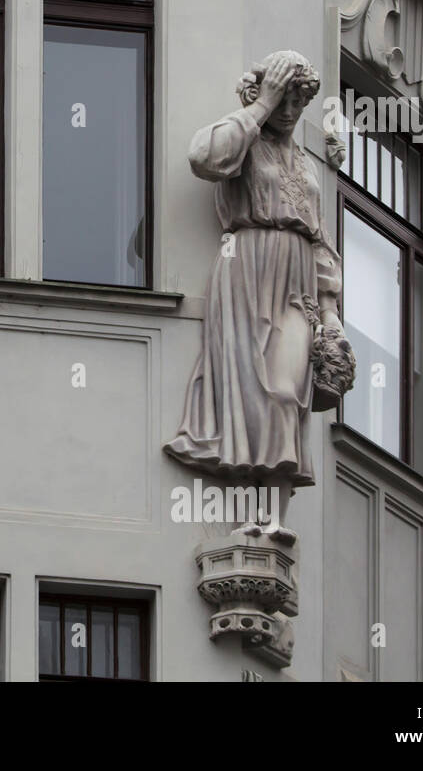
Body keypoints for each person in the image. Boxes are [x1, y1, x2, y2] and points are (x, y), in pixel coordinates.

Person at [164, 51, 348, 541]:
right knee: (252, 393)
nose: (289, 111)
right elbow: (205, 158)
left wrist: (330, 314)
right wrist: (259, 108)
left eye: (297, 102)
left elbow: (319, 237)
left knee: (287, 390)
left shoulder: (304, 163)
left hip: (296, 281)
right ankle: (252, 512)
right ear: (264, 94)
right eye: (282, 99)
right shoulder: (244, 136)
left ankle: (276, 513)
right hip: (245, 266)